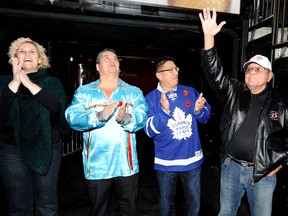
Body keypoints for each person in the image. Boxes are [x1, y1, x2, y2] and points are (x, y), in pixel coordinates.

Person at [199, 8, 288, 216]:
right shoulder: (235, 92)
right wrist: (209, 37)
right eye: (249, 69)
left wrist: (281, 162)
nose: (252, 72)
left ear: (270, 76)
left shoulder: (281, 103)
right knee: (226, 213)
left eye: (259, 69)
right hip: (231, 167)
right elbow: (214, 73)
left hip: (262, 174)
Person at [65, 48, 148, 216]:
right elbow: (72, 117)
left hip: (126, 165)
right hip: (96, 166)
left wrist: (126, 118)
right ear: (97, 67)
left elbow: (142, 118)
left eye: (115, 58)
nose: (112, 61)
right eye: (106, 58)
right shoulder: (84, 92)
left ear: (119, 66)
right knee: (98, 211)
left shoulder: (134, 92)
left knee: (130, 211)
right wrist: (100, 116)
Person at [0, 37, 68, 215]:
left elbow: (56, 107)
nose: (27, 54)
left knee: (46, 205)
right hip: (11, 149)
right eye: (22, 51)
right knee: (18, 206)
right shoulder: (3, 82)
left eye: (32, 51)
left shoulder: (52, 83)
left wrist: (28, 83)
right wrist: (15, 82)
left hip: (47, 148)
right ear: (14, 58)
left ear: (40, 59)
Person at [143, 56, 211, 216]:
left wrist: (199, 110)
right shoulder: (150, 99)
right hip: (166, 162)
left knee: (194, 204)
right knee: (166, 206)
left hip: (192, 160)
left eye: (176, 69)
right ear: (159, 75)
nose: (175, 72)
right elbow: (149, 130)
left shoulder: (189, 91)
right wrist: (164, 112)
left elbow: (206, 118)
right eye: (170, 70)